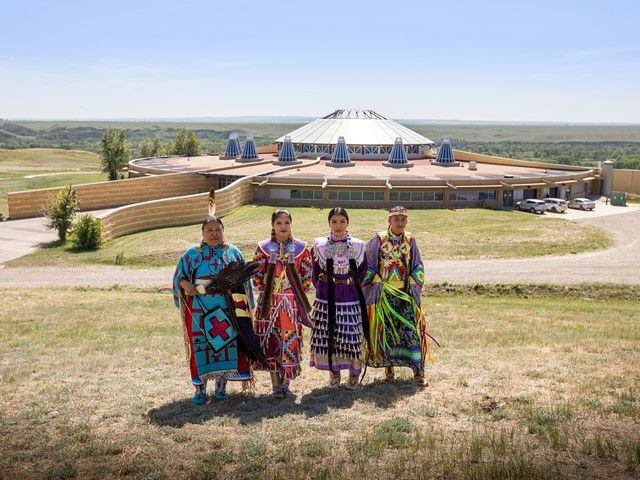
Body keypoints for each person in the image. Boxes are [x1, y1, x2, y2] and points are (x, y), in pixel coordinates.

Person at [172, 216, 264, 404]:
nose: (214, 234)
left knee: (225, 346)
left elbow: (244, 284)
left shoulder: (233, 253)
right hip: (199, 308)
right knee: (200, 346)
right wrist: (185, 284)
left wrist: (247, 306)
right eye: (210, 231)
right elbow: (178, 276)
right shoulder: (192, 254)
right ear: (202, 234)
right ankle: (200, 390)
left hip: (226, 309)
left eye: (218, 230)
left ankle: (221, 388)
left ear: (223, 231)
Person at [362, 206, 431, 387]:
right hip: (384, 296)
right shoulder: (379, 239)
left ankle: (418, 371)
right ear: (389, 221)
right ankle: (389, 370)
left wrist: (414, 282)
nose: (400, 223)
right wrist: (376, 282)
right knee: (387, 333)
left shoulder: (410, 240)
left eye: (403, 219)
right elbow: (367, 266)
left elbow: (418, 266)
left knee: (412, 332)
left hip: (404, 295)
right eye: (396, 219)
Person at [252, 209, 313, 397]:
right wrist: (268, 281)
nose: (283, 226)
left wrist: (291, 286)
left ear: (291, 224)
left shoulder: (301, 248)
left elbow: (307, 276)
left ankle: (285, 384)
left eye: (286, 222)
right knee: (270, 339)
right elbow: (255, 276)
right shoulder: (263, 248)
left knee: (289, 340)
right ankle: (275, 384)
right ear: (272, 225)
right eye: (279, 223)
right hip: (268, 302)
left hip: (291, 301)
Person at [309, 207, 368, 388]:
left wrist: (349, 281)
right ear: (329, 223)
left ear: (347, 223)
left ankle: (353, 376)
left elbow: (360, 270)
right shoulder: (322, 246)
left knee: (351, 336)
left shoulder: (354, 246)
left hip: (349, 295)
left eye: (342, 221)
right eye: (334, 221)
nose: (338, 225)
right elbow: (315, 271)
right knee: (330, 335)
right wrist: (322, 283)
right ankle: (334, 377)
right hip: (327, 295)